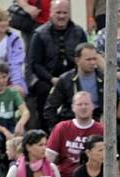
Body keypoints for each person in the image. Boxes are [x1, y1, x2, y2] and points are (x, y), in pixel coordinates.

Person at [26, 0, 87, 128]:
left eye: (65, 12)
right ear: (51, 13)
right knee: (44, 91)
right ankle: (48, 130)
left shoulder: (78, 32)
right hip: (47, 78)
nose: (61, 16)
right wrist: (52, 79)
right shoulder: (39, 34)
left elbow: (84, 56)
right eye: (58, 12)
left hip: (73, 77)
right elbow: (35, 64)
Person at [43, 42, 104, 131]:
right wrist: (57, 129)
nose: (92, 63)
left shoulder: (104, 79)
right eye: (88, 59)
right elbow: (50, 108)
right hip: (72, 122)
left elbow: (115, 104)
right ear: (77, 60)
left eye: (94, 59)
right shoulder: (65, 80)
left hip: (98, 121)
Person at [46, 91, 104, 177]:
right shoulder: (61, 128)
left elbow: (111, 161)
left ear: (93, 106)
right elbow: (48, 159)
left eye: (86, 104)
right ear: (73, 107)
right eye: (79, 104)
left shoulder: (102, 130)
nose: (83, 107)